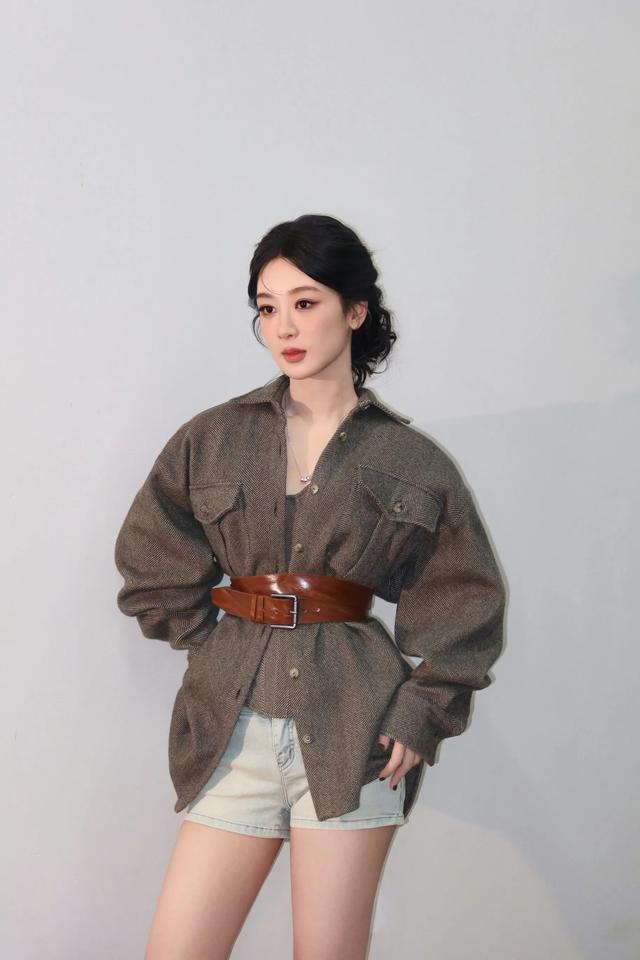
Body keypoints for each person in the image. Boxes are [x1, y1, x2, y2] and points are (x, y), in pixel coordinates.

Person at [114, 213, 507, 959]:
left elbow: (465, 598)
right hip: (232, 732)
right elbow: (151, 557)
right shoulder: (214, 438)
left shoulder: (412, 460)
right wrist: (211, 646)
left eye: (305, 302)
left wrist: (423, 711)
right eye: (267, 307)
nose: (284, 327)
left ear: (355, 311)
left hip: (356, 731)